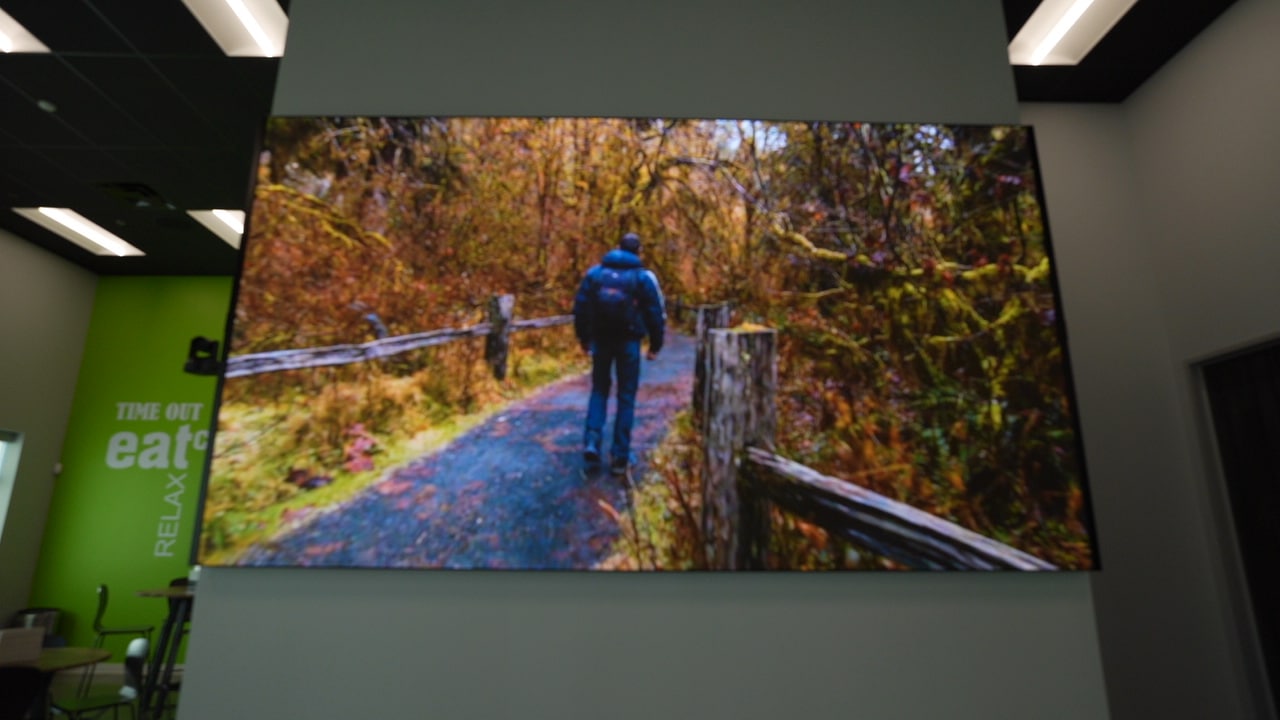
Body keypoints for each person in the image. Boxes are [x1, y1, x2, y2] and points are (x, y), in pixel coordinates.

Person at [573, 232, 665, 475]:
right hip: (629, 343)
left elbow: (581, 307)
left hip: (601, 341)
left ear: (618, 248)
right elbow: (655, 313)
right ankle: (620, 457)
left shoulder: (595, 274)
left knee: (599, 390)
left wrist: (584, 339)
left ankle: (592, 444)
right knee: (626, 396)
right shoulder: (642, 278)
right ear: (638, 251)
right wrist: (656, 345)